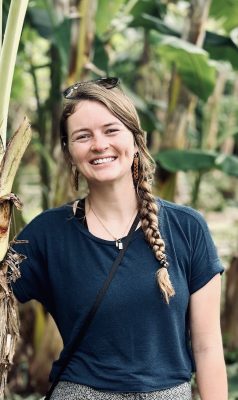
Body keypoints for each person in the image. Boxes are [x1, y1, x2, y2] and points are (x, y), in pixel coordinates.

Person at [10, 77, 227, 400]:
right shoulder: (47, 234)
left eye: (111, 130)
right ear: (69, 153)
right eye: (83, 136)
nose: (99, 144)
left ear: (136, 139)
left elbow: (208, 347)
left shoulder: (188, 228)